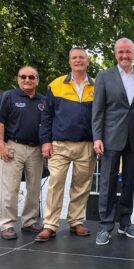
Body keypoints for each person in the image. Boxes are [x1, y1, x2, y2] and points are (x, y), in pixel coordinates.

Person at [35, 47, 96, 242]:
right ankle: (50, 225)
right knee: (56, 184)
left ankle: (76, 221)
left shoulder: (97, 86)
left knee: (82, 186)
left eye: (82, 58)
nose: (78, 60)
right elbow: (46, 115)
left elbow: (101, 116)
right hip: (59, 145)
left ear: (87, 61)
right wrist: (45, 141)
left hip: (86, 145)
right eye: (74, 58)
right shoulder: (56, 85)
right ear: (69, 62)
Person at [92, 38, 134, 245]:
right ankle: (106, 225)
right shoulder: (104, 76)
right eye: (121, 52)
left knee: (130, 182)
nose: (125, 56)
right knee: (107, 182)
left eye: (128, 52)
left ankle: (125, 222)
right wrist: (97, 137)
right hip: (110, 138)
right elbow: (97, 110)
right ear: (115, 54)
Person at [0, 66, 44, 240]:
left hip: (36, 149)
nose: (27, 80)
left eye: (31, 77)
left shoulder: (43, 100)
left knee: (34, 187)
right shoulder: (9, 96)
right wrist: (1, 145)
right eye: (23, 77)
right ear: (18, 79)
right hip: (13, 146)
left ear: (37, 80)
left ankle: (29, 221)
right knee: (10, 188)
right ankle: (7, 224)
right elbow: (0, 121)